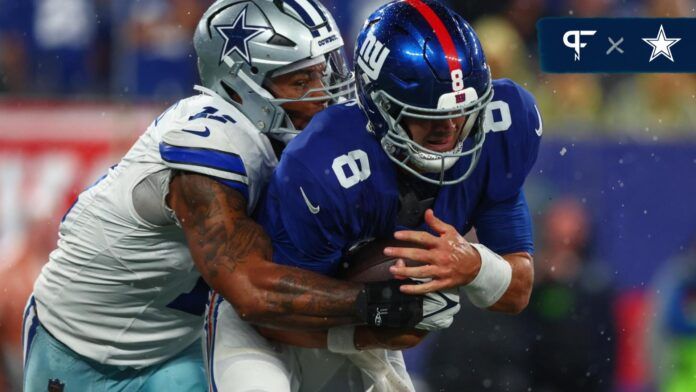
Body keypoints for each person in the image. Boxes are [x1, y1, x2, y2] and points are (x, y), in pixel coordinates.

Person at [22, 1, 433, 390]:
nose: (323, 94)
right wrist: (375, 302)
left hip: (179, 352)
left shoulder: (293, 147)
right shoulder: (213, 144)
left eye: (324, 73)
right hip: (77, 346)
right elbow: (253, 292)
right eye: (301, 80)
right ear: (240, 87)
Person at [208, 0, 540, 390]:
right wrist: (375, 313)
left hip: (361, 329)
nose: (451, 129)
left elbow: (517, 291)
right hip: (268, 327)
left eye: (463, 112)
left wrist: (475, 266)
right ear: (379, 108)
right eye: (428, 117)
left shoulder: (502, 127)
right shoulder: (325, 164)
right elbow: (265, 310)